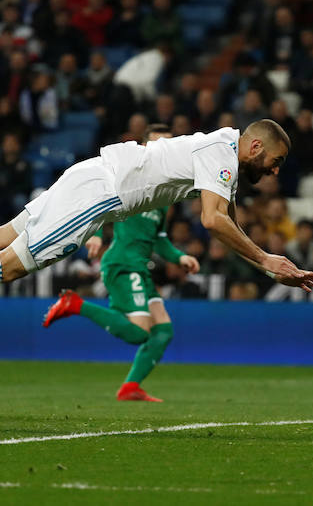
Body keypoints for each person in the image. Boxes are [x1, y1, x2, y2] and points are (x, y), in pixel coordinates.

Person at [0, 119, 313, 322]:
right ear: (256, 148)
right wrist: (266, 258)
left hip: (92, 174)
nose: (276, 172)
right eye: (276, 162)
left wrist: (264, 264)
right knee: (8, 265)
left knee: (3, 235)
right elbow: (213, 221)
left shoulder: (225, 149)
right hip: (101, 196)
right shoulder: (222, 155)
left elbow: (228, 214)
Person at [42, 125, 201, 402]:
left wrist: (180, 256)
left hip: (140, 266)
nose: (164, 151)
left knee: (163, 331)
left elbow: (159, 239)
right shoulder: (132, 179)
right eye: (157, 145)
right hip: (123, 264)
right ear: (143, 148)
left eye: (169, 146)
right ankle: (76, 304)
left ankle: (130, 387)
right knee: (140, 333)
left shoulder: (165, 196)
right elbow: (101, 206)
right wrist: (93, 234)